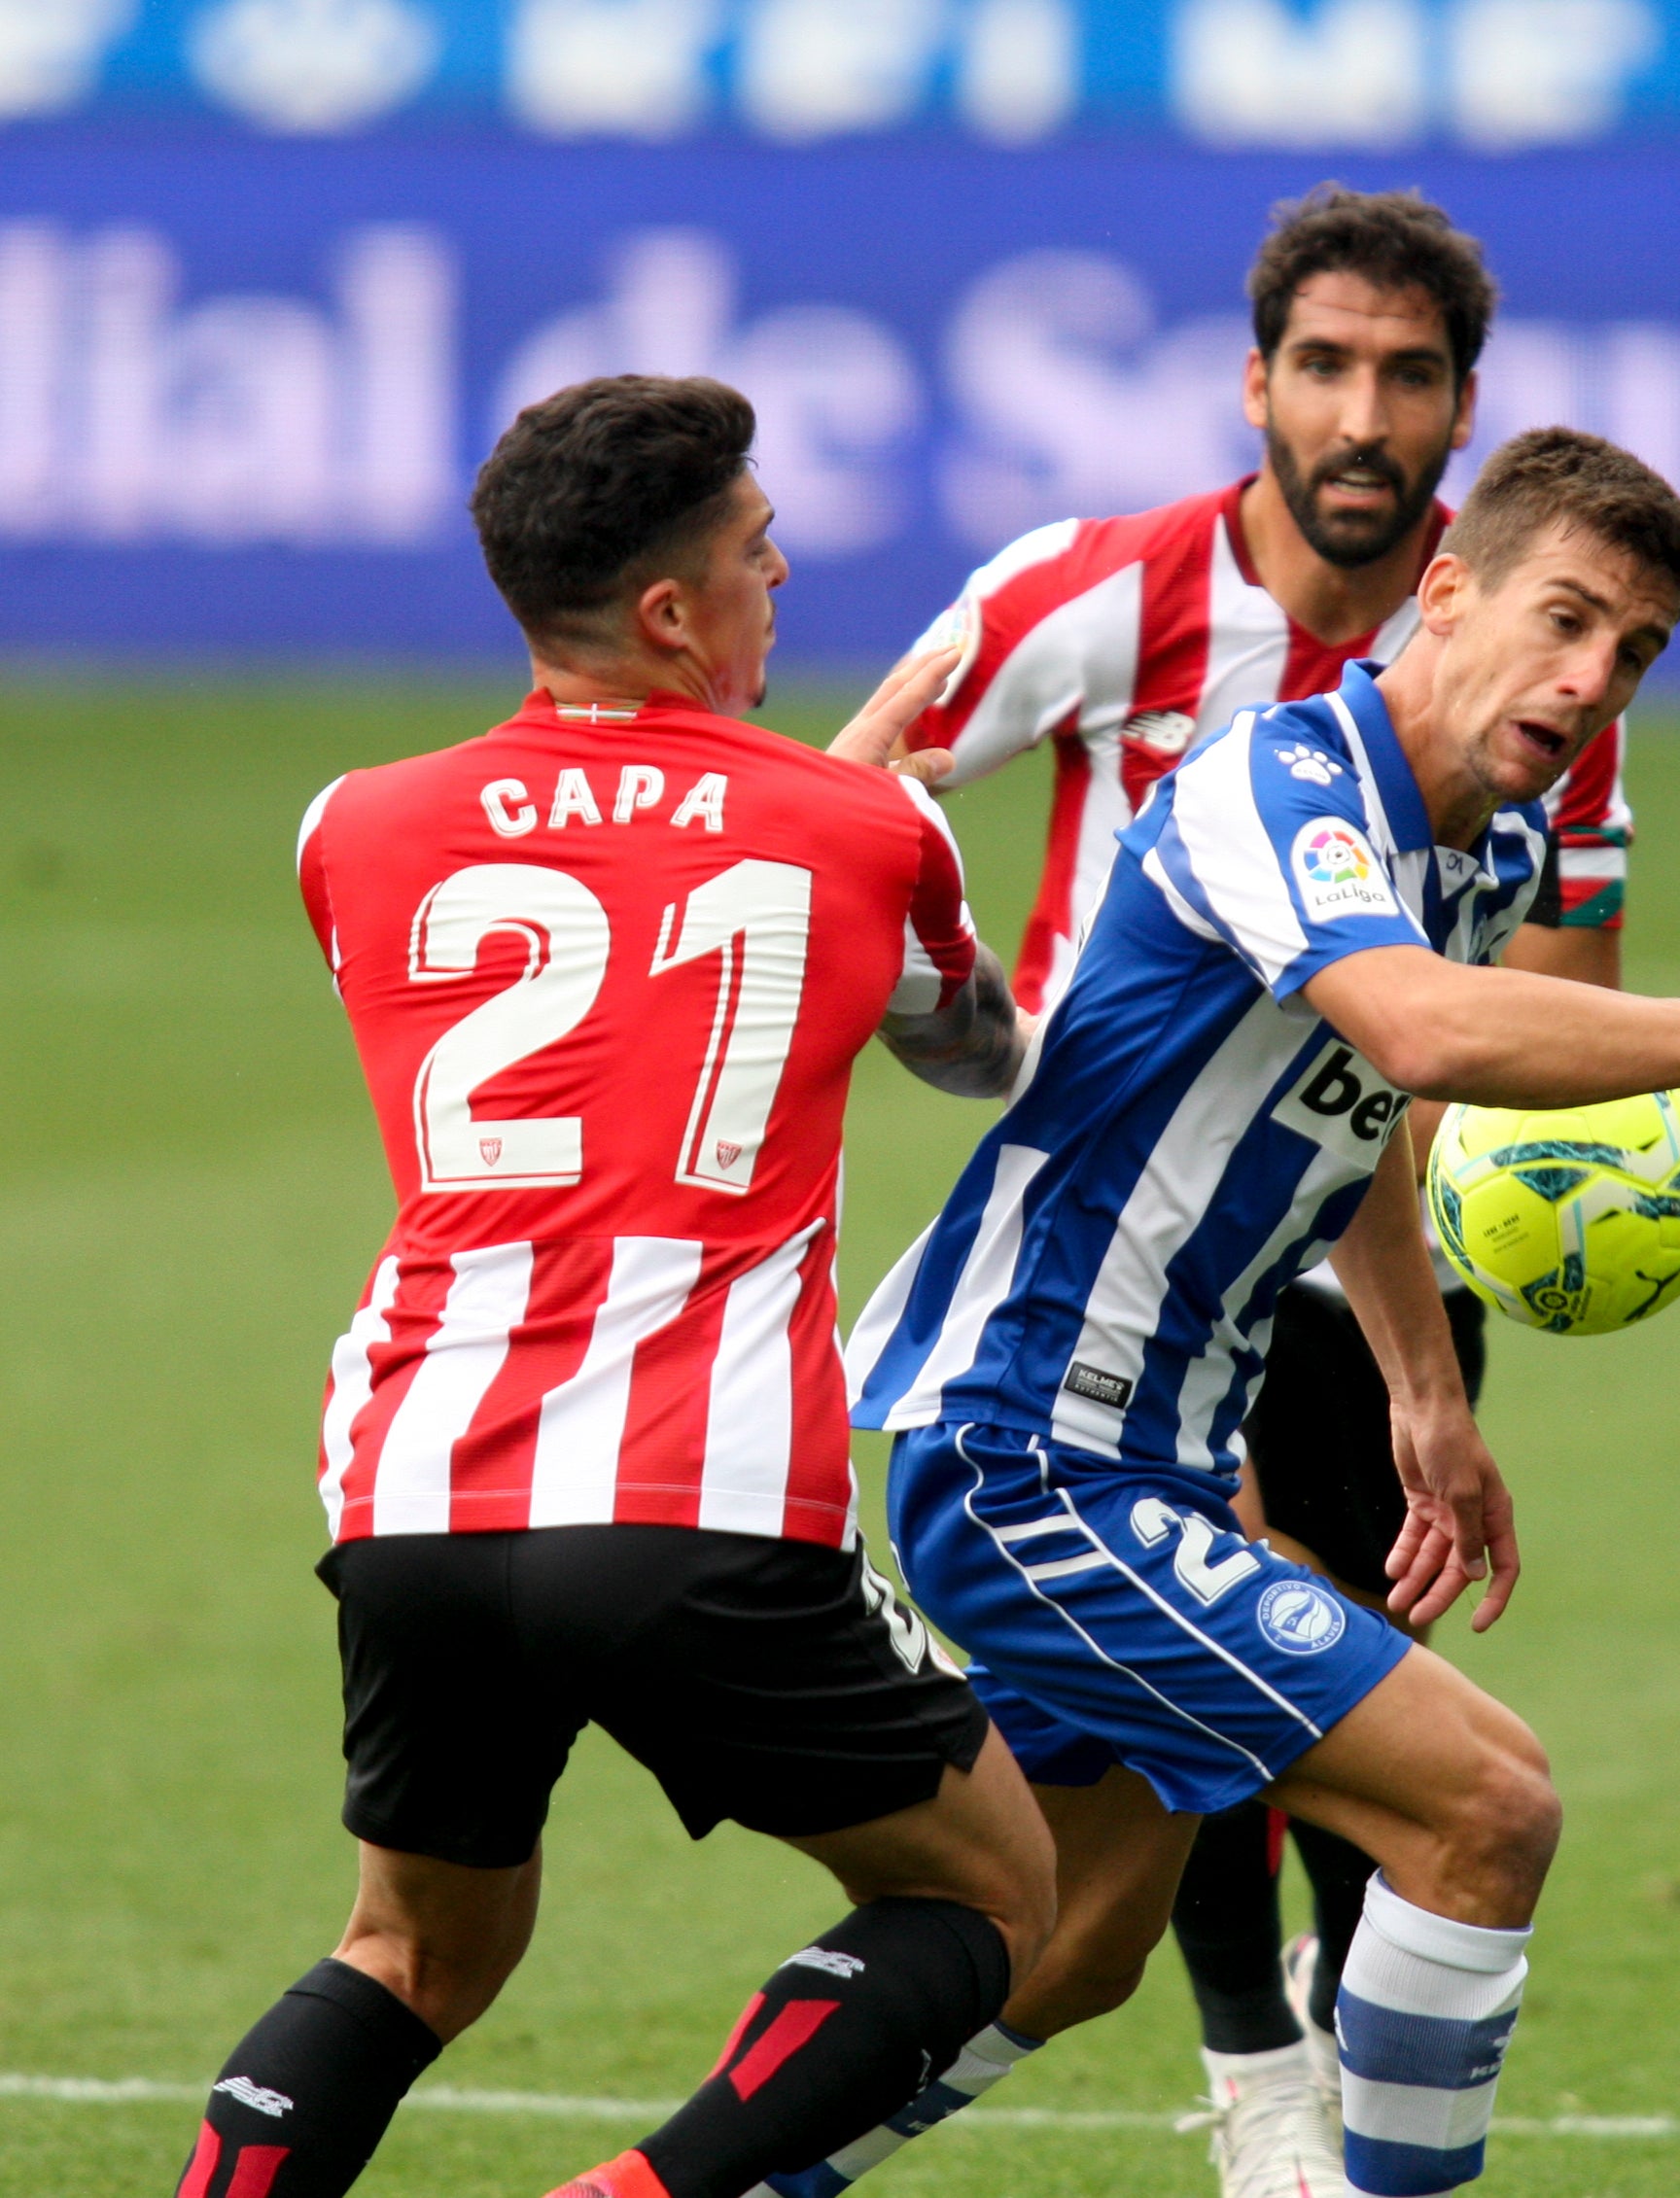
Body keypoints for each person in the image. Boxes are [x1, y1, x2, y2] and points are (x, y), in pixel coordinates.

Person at [799, 427, 1680, 2198]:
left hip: (1142, 1453)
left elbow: (1359, 1111)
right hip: (1026, 1441)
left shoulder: (1480, 853)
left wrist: (1425, 1394)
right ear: (1447, 590)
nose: (1593, 678)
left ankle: (701, 2177)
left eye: (1637, 650)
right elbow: (1428, 1034)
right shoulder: (1270, 779)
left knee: (1067, 1936)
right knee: (1487, 1802)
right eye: (1567, 618)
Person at [169, 374, 1059, 2198]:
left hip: (414, 1479)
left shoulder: (353, 823)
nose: (783, 569)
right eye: (754, 549)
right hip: (695, 1488)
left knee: (415, 1951)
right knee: (986, 1889)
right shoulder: (865, 832)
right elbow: (980, 1056)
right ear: (672, 614)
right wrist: (866, 823)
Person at [888, 184, 1628, 2198]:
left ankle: (1257, 2055)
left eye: (1406, 374)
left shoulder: (1541, 687)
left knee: (1211, 1790)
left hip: (1358, 1239)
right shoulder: (1102, 591)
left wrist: (1585, 1208)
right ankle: (1261, 2078)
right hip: (1110, 1266)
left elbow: (1525, 1020)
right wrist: (949, 1014)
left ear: (1461, 413)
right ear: (1256, 383)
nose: (1362, 412)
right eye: (1325, 366)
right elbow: (862, 797)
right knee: (1344, 1748)